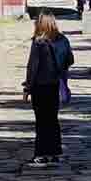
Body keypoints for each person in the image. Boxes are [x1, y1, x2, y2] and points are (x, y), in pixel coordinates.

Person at [22, 12, 74, 168]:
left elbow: (33, 67)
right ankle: (55, 152)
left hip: (40, 86)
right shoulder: (63, 40)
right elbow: (70, 60)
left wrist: (27, 88)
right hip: (54, 85)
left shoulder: (38, 42)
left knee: (41, 121)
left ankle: (41, 154)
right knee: (53, 120)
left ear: (40, 24)